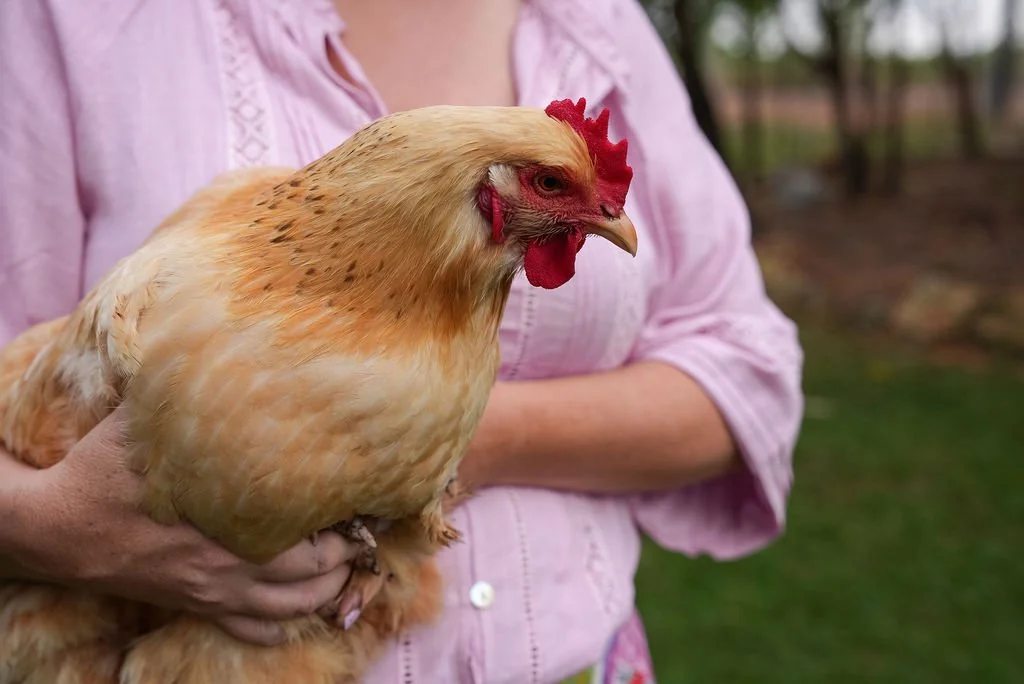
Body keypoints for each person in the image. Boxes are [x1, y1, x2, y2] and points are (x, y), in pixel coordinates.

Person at [0, 0, 804, 681]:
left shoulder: (594, 18)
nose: (607, 216)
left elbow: (747, 370)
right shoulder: (83, 19)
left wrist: (444, 447)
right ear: (488, 196)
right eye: (553, 185)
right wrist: (56, 529)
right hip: (140, 644)